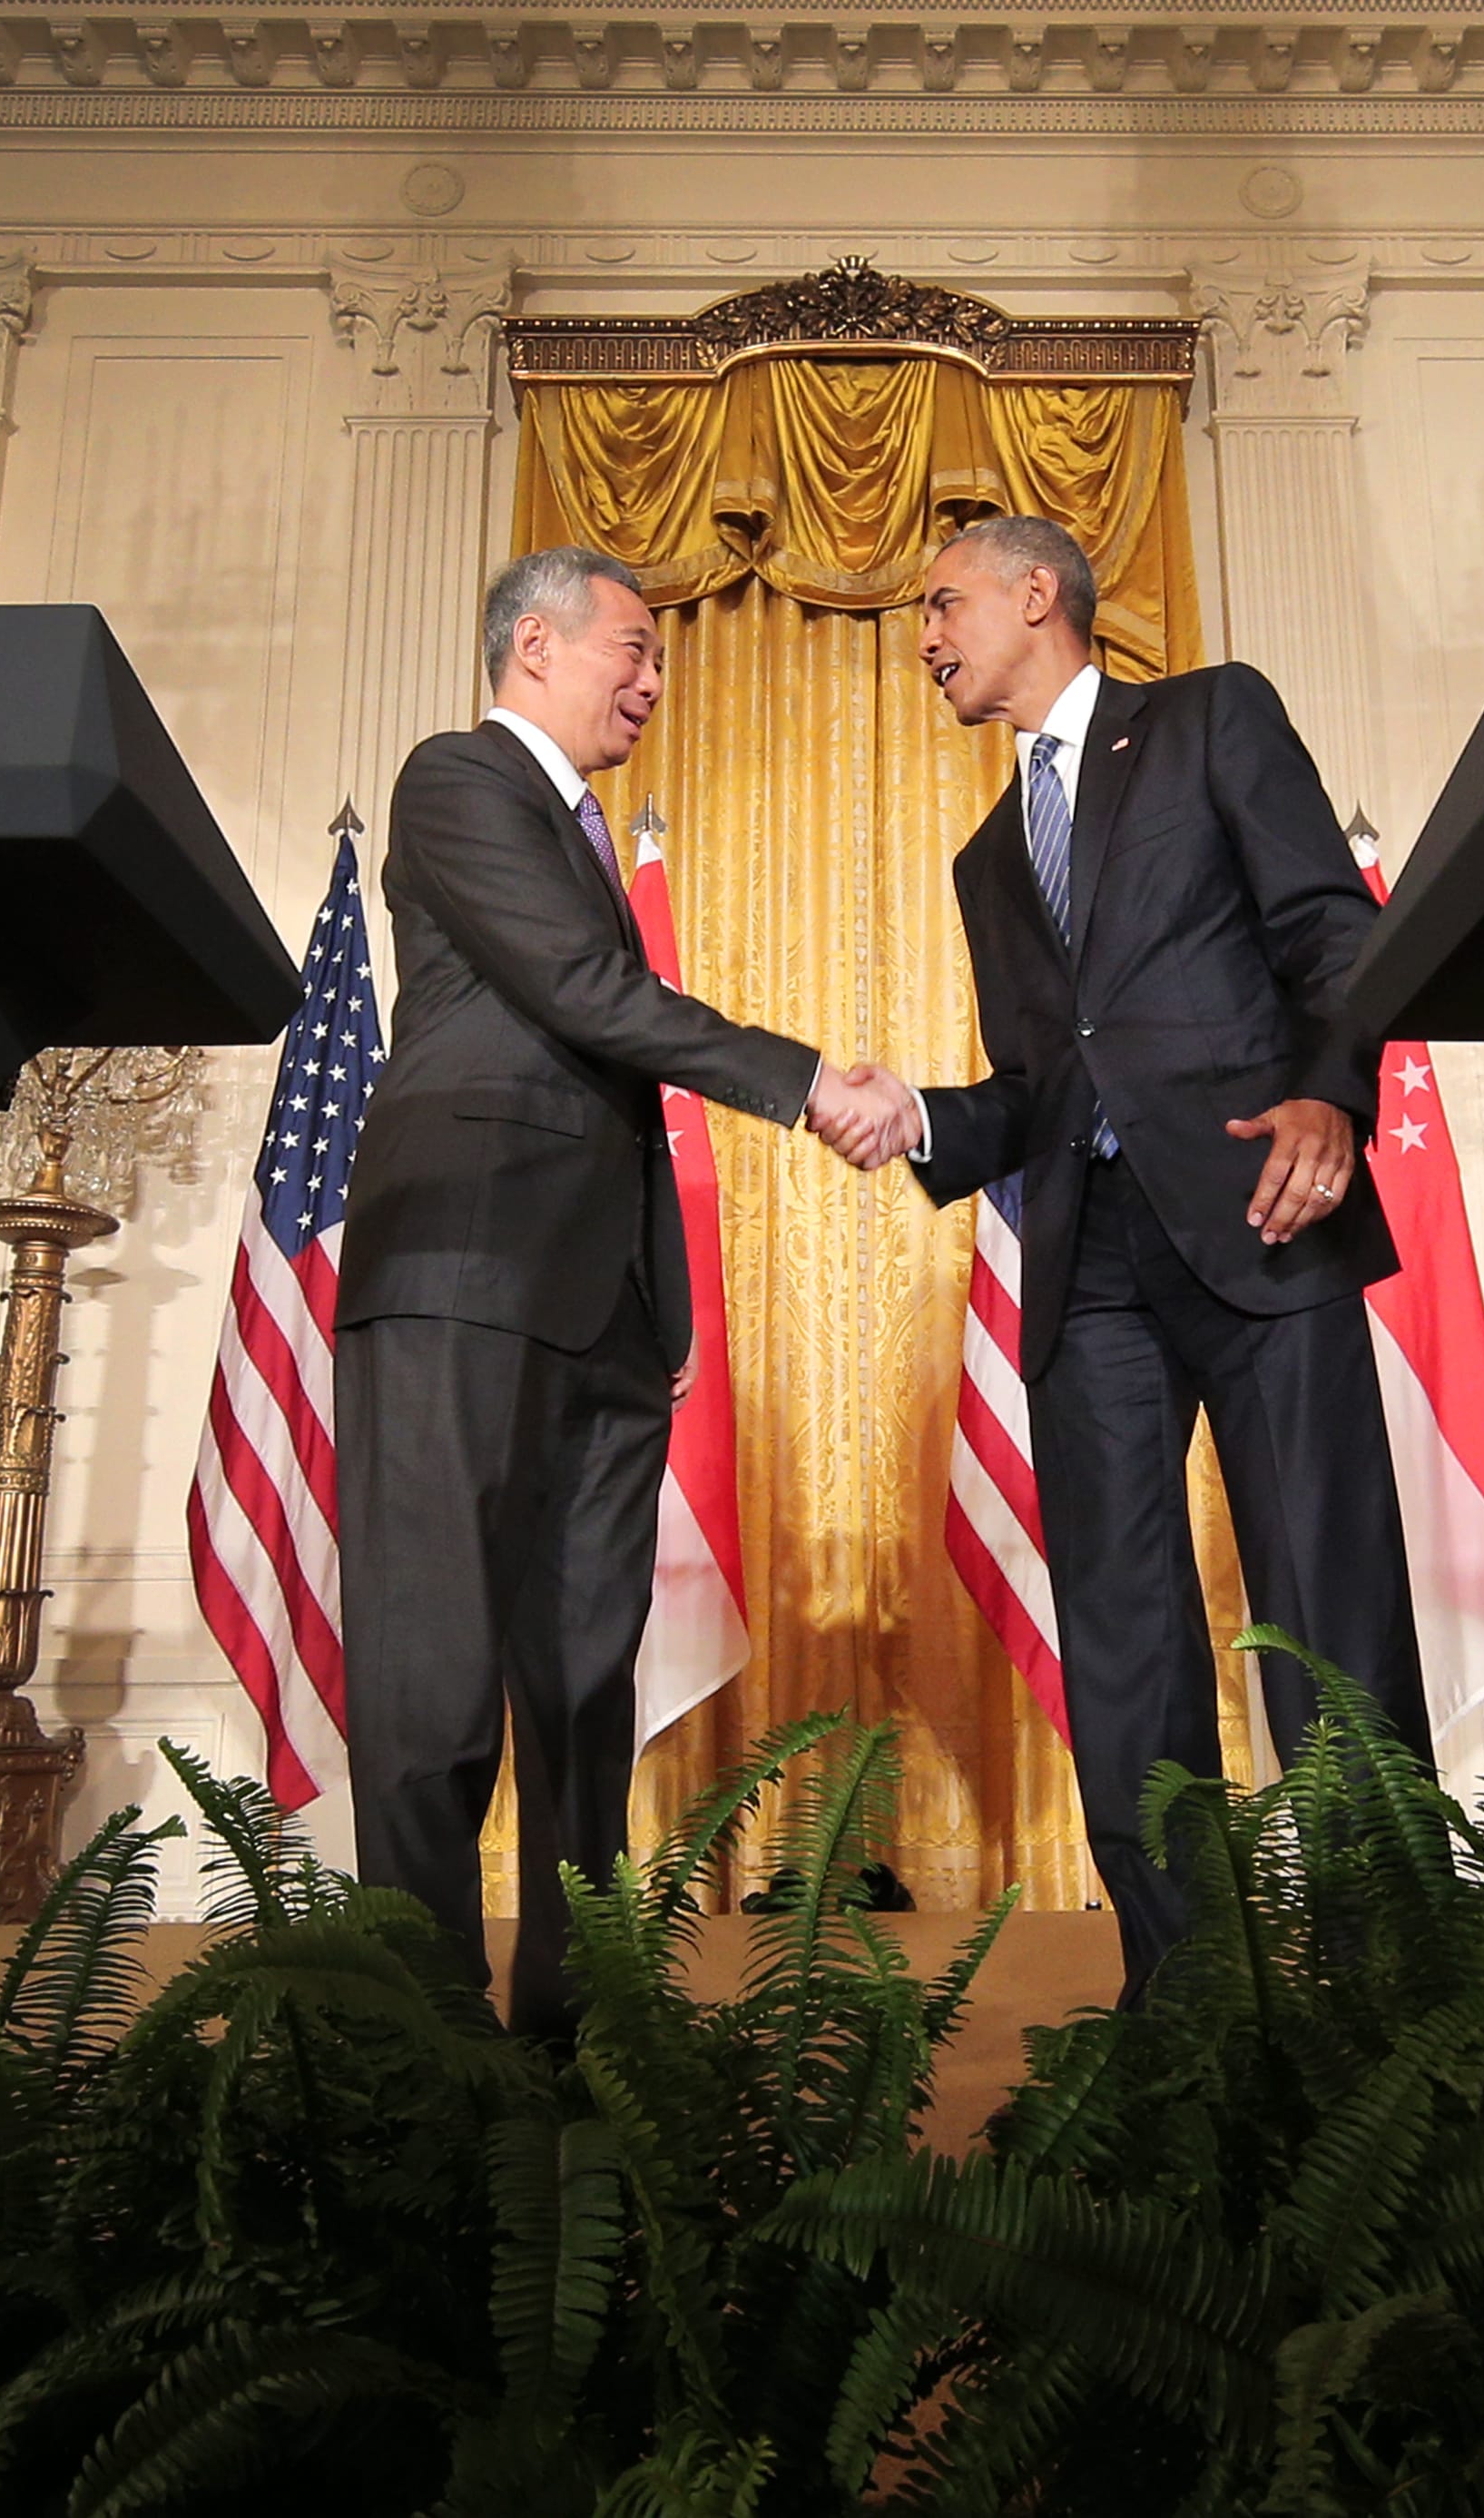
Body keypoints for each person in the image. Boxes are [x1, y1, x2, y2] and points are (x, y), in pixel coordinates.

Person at [834, 513, 1432, 1999]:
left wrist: (1332, 1093)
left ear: (1039, 595)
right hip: (1087, 1268)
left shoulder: (1210, 715)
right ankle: (1191, 1999)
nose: (927, 634)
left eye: (944, 602)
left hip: (1262, 1213)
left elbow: (1329, 932)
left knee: (1328, 1610)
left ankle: (1396, 2006)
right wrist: (924, 1116)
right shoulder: (988, 859)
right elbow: (1043, 1086)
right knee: (1122, 1633)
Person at [339, 546, 918, 2025]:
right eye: (635, 649)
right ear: (534, 644)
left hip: (603, 1308)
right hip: (462, 1268)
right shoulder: (458, 779)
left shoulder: (580, 826)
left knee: (585, 1682)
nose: (652, 681)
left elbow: (608, 1067)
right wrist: (806, 1086)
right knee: (436, 1669)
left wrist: (662, 1294)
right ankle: (419, 2037)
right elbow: (587, 998)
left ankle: (577, 2018)